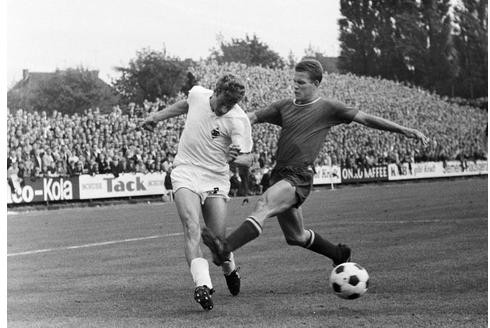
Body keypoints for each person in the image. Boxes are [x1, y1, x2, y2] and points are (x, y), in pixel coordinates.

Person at [202, 59, 429, 280]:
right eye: (294, 81)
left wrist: (405, 130)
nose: (295, 86)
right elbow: (249, 118)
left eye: (301, 82)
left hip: (299, 175)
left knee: (263, 204)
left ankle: (225, 247)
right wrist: (216, 124)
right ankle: (338, 254)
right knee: (295, 236)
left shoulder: (328, 108)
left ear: (316, 83)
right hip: (279, 175)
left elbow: (367, 119)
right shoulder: (284, 106)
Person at [142, 74, 254, 311]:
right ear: (215, 91)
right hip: (185, 171)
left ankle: (229, 267)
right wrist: (156, 116)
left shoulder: (237, 120)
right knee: (192, 227)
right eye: (223, 101)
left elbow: (249, 157)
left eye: (231, 105)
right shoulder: (197, 95)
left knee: (217, 241)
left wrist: (237, 159)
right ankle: (202, 285)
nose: (225, 108)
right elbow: (185, 104)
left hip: (215, 177)